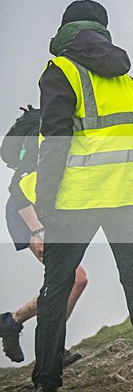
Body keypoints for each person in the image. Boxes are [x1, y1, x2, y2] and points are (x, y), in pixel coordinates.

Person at [31, 0, 133, 392]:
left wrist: (44, 202)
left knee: (55, 290)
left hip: (74, 200)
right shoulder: (123, 76)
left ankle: (46, 384)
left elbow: (55, 141)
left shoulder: (59, 72)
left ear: (67, 31)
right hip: (123, 196)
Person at [0, 140, 86, 366]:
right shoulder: (49, 129)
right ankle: (51, 347)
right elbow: (17, 187)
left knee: (76, 280)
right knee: (75, 278)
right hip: (26, 212)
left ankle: (14, 322)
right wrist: (37, 230)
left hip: (47, 211)